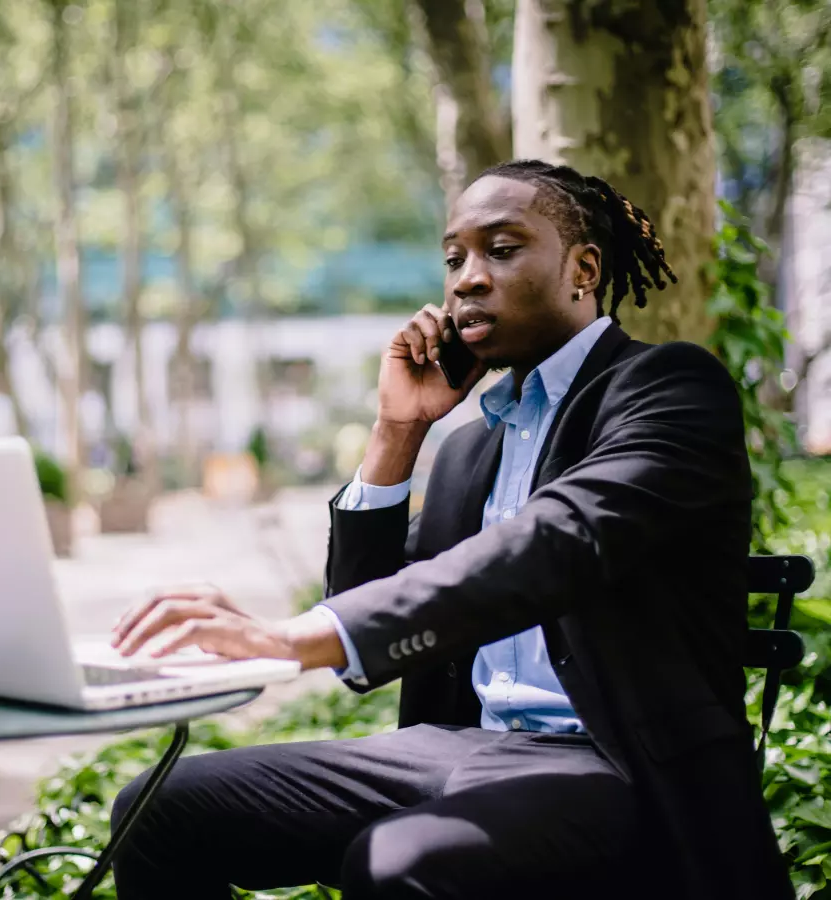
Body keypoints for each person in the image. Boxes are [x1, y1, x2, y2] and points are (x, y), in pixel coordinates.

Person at [108, 160, 792, 899]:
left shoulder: (667, 389)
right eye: (454, 257)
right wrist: (396, 432)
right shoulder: (470, 448)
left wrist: (291, 637)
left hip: (614, 766)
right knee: (157, 811)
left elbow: (558, 540)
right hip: (455, 749)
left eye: (501, 249)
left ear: (582, 268)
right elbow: (381, 604)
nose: (466, 277)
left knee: (398, 862)